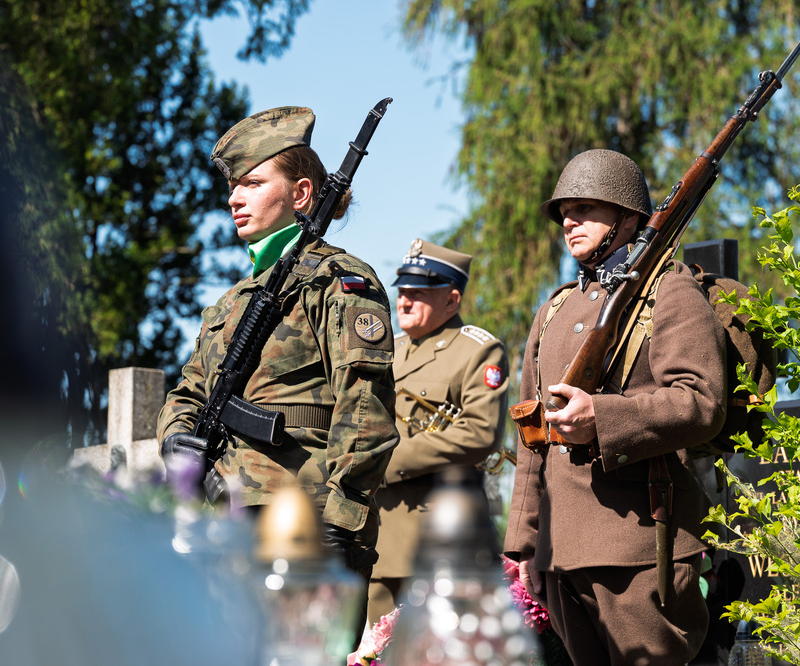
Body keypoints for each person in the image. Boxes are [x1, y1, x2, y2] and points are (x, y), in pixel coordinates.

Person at [503, 149, 727, 665]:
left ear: (628, 219)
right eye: (565, 211)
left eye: (585, 208)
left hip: (640, 547)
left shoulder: (669, 291)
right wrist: (526, 543)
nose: (569, 220)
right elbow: (532, 435)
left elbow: (701, 401)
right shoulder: (555, 308)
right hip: (560, 552)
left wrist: (601, 418)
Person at [156, 106, 399, 577]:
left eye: (252, 183)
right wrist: (176, 441)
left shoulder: (337, 281)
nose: (234, 198)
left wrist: (341, 521)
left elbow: (365, 407)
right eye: (233, 186)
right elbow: (187, 393)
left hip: (304, 520)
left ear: (301, 193)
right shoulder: (230, 303)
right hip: (223, 524)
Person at [367, 239, 510, 626]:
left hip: (437, 536)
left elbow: (480, 432)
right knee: (369, 650)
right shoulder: (387, 351)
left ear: (451, 300)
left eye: (418, 293)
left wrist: (386, 461)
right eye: (402, 291)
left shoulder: (477, 351)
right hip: (377, 535)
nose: (404, 302)